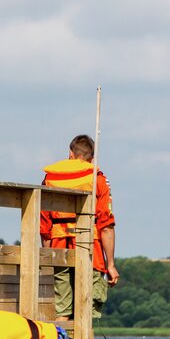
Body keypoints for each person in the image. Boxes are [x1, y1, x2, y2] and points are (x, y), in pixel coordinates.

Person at [40, 134, 119, 321]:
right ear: (91, 158)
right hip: (90, 250)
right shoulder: (98, 180)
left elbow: (44, 225)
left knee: (62, 312)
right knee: (87, 312)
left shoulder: (50, 179)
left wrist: (48, 256)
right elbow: (106, 226)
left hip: (59, 249)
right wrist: (110, 265)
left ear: (71, 154)